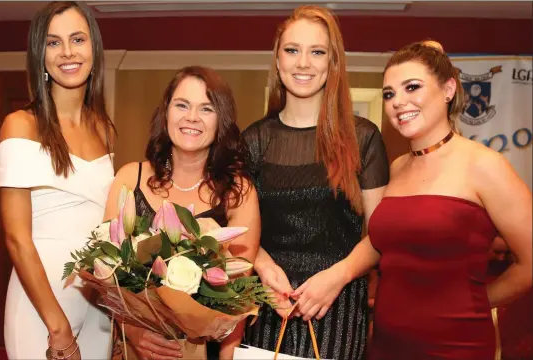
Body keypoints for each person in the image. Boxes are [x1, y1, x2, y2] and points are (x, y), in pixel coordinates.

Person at [326, 40, 533, 359]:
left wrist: (477, 301)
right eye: (389, 94)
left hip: (454, 346)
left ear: (448, 88)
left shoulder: (485, 165)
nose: (398, 102)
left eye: (412, 87)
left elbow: (530, 263)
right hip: (385, 344)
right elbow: (383, 246)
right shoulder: (397, 167)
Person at [242, 5, 389, 360]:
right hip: (267, 304)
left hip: (336, 307)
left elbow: (382, 235)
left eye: (317, 52)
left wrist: (336, 277)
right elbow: (234, 228)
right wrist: (261, 264)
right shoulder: (253, 141)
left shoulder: (363, 137)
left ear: (332, 63)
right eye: (292, 50)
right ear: (278, 61)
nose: (303, 63)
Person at [103, 65, 261, 360]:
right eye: (182, 105)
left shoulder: (238, 193)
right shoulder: (129, 179)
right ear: (166, 113)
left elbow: (238, 297)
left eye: (206, 109)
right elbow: (108, 276)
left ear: (221, 121)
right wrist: (137, 335)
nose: (192, 117)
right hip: (134, 350)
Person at [0, 2, 116, 359]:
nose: (67, 52)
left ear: (93, 47)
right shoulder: (21, 125)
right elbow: (16, 239)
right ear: (39, 55)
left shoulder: (104, 129)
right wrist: (58, 327)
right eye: (53, 42)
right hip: (39, 308)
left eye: (77, 39)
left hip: (98, 306)